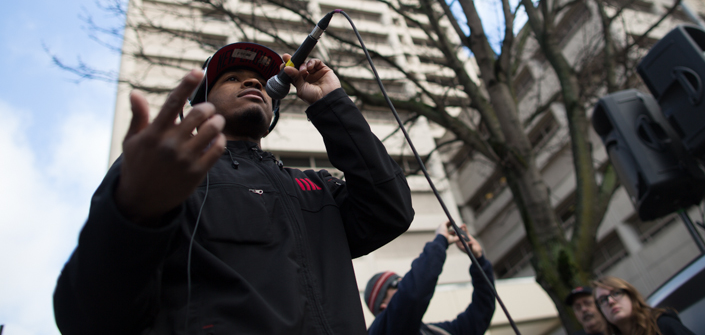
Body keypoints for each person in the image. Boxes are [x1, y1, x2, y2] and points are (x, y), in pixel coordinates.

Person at [53, 42, 415, 335]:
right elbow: (92, 315)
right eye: (233, 78)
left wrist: (331, 104)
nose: (253, 82)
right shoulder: (170, 175)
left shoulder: (315, 186)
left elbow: (390, 210)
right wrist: (132, 213)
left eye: (260, 80)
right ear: (200, 106)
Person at [364, 221, 496, 335]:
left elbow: (480, 314)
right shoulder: (382, 330)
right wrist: (440, 240)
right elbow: (412, 295)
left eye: (404, 281)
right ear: (383, 306)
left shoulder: (434, 331)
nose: (404, 284)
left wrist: (478, 260)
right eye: (397, 284)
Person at [592, 276, 696, 335]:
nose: (610, 301)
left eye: (616, 293)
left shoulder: (662, 325)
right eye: (602, 300)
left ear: (630, 295)